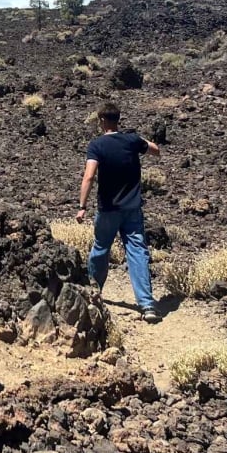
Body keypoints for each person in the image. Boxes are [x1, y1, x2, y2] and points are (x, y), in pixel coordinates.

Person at [76, 101, 162, 324]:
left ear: (102, 121)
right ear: (118, 120)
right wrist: (140, 142)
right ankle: (147, 304)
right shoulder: (132, 140)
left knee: (101, 247)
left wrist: (82, 206)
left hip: (108, 208)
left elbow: (89, 176)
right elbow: (155, 150)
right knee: (137, 251)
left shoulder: (97, 146)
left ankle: (94, 292)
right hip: (132, 208)